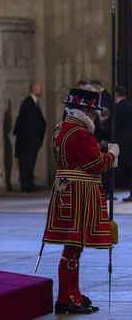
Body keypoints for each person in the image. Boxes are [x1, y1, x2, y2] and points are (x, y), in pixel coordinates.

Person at [42, 87, 118, 315]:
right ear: (84, 110)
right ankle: (65, 298)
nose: (94, 115)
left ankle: (73, 294)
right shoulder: (80, 133)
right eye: (92, 111)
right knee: (72, 249)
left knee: (74, 249)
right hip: (79, 197)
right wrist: (113, 155)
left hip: (68, 194)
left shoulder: (61, 129)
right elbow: (97, 164)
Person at [13, 82, 46, 192]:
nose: (41, 90)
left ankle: (29, 183)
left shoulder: (35, 103)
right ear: (34, 89)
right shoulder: (27, 103)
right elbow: (21, 120)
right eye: (39, 88)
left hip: (33, 141)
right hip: (26, 141)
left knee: (30, 162)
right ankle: (26, 184)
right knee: (25, 163)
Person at [113, 86, 132, 202]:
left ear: (116, 95)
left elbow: (114, 124)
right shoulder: (129, 105)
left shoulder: (119, 107)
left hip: (122, 142)